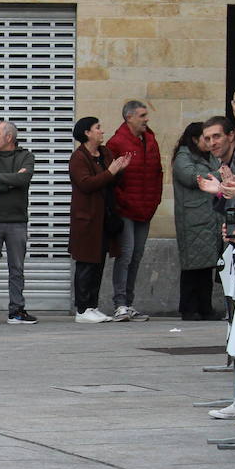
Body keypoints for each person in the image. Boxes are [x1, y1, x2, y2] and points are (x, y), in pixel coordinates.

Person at [68, 117, 128, 324]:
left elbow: (112, 182)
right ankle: (82, 309)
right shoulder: (78, 157)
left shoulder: (104, 153)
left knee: (98, 263)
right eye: (98, 128)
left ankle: (92, 306)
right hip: (86, 219)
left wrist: (119, 170)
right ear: (87, 133)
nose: (102, 131)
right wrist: (111, 172)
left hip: (104, 217)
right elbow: (86, 184)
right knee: (86, 263)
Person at [105, 100, 161, 322]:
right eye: (142, 115)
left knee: (137, 256)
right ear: (129, 117)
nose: (147, 119)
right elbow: (111, 178)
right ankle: (119, 304)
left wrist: (155, 201)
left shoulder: (151, 141)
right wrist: (123, 201)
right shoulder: (117, 143)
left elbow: (158, 173)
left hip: (145, 209)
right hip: (126, 210)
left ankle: (128, 303)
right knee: (126, 255)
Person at [0, 121, 37, 325]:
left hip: (17, 222)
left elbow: (24, 179)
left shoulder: (26, 156)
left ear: (9, 137)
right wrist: (11, 182)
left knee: (17, 268)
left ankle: (17, 311)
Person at [172, 121, 223, 321]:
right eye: (205, 138)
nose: (209, 142)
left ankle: (205, 308)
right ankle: (189, 308)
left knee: (206, 266)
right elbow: (193, 178)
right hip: (192, 219)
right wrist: (219, 175)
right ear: (194, 139)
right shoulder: (183, 157)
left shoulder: (210, 156)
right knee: (192, 266)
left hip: (209, 217)